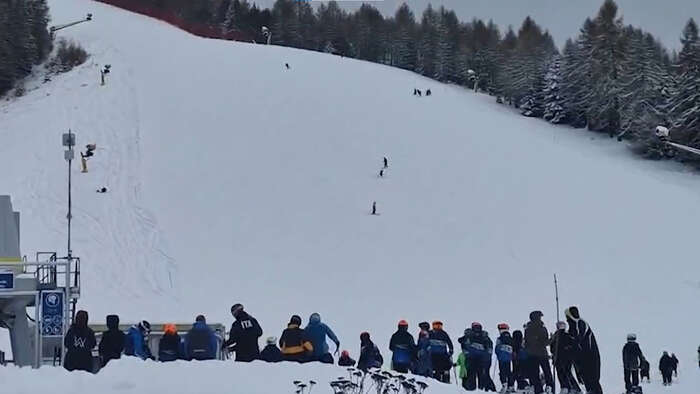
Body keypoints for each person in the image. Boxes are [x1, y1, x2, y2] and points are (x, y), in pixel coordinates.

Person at [566, 306, 602, 394]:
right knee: (587, 380)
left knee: (593, 380)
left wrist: (571, 344)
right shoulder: (573, 326)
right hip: (582, 358)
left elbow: (579, 338)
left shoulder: (581, 323)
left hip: (590, 356)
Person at [459, 322, 496, 391]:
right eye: (475, 327)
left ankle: (483, 390)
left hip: (481, 360)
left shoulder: (485, 337)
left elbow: (490, 348)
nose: (477, 329)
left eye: (478, 327)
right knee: (470, 374)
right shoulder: (469, 335)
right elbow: (462, 343)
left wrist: (487, 357)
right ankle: (469, 390)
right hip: (471, 359)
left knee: (482, 375)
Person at [524, 311, 554, 394]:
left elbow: (527, 342)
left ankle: (538, 390)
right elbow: (545, 342)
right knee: (547, 372)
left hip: (531, 355)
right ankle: (550, 387)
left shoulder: (527, 329)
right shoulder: (542, 328)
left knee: (534, 374)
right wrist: (552, 339)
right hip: (542, 354)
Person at [550, 321, 581, 394]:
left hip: (562, 358)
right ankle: (570, 388)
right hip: (561, 358)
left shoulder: (561, 336)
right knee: (565, 373)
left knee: (564, 373)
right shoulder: (558, 336)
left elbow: (553, 348)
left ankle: (569, 387)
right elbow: (553, 348)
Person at [495, 323, 515, 393]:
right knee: (508, 371)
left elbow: (497, 348)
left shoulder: (499, 338)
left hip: (501, 358)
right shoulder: (510, 338)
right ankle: (511, 386)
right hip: (508, 358)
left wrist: (498, 354)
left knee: (502, 371)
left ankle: (504, 384)